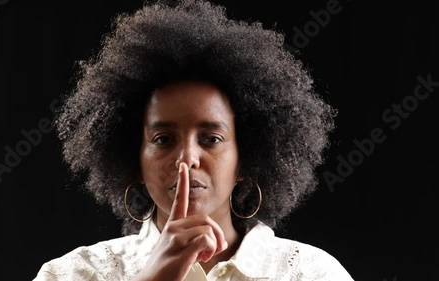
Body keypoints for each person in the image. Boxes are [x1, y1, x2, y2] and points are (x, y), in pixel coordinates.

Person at [34, 0, 354, 280]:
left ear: (245, 158)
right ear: (135, 158)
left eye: (211, 138)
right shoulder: (75, 273)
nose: (187, 158)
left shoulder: (309, 273)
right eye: (163, 139)